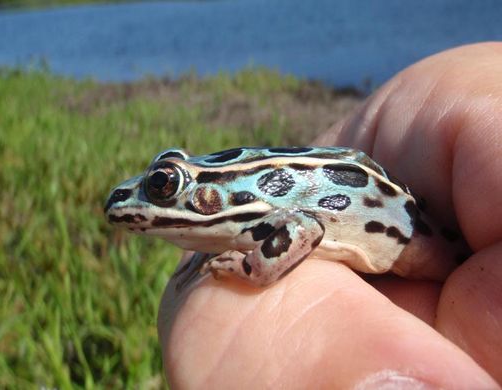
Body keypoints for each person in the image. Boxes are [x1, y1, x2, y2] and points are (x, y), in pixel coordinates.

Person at [158, 43, 502, 389]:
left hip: (425, 235)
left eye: (163, 185)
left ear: (207, 196)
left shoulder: (247, 213)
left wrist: (252, 270)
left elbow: (305, 226)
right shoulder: (238, 218)